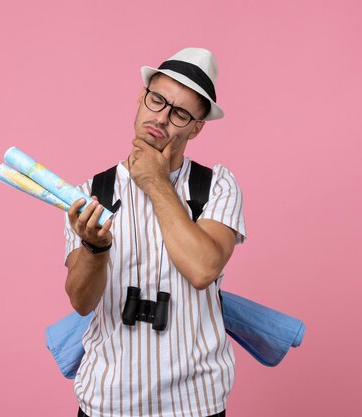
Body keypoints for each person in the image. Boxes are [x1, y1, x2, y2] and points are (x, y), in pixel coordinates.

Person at [63, 47, 246, 417]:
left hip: (194, 403)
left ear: (197, 127)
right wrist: (94, 248)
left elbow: (202, 269)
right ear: (141, 98)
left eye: (179, 113)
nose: (161, 118)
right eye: (157, 100)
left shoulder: (217, 186)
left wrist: (155, 182)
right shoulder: (91, 191)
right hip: (107, 400)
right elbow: (81, 301)